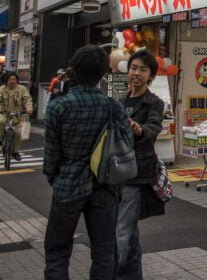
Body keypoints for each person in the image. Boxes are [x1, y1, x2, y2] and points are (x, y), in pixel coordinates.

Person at [43, 46, 132, 280]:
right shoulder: (112, 106)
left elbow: (51, 154)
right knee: (104, 251)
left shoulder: (58, 107)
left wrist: (55, 176)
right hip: (103, 184)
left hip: (67, 184)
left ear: (74, 70)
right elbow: (126, 143)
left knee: (57, 252)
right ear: (102, 73)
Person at [116, 50, 164, 280]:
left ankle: (115, 274)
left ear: (150, 76)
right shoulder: (119, 100)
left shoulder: (154, 103)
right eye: (134, 68)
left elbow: (153, 130)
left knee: (122, 231)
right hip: (113, 173)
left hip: (135, 175)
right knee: (128, 231)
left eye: (143, 70)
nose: (136, 73)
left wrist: (139, 129)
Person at [0, 71, 34, 160]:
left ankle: (15, 152)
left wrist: (29, 108)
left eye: (14, 79)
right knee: (1, 121)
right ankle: (0, 139)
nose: (13, 81)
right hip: (4, 113)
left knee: (18, 132)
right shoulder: (2, 89)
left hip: (17, 115)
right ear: (6, 80)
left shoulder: (22, 89)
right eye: (10, 79)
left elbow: (27, 99)